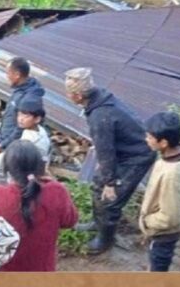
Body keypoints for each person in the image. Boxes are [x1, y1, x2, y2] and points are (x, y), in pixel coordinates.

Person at [64, 67, 156, 255]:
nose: (67, 96)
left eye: (69, 93)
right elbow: (105, 147)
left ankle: (105, 239)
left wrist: (111, 182)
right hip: (123, 150)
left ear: (79, 96)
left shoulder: (100, 115)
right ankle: (98, 223)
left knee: (111, 198)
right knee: (97, 185)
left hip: (136, 155)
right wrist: (105, 173)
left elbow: (106, 150)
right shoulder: (99, 99)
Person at [0, 140, 78, 271]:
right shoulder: (56, 191)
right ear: (40, 166)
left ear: (7, 169)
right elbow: (70, 221)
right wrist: (54, 183)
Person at [140, 112, 180, 272]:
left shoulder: (172, 174)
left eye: (149, 137)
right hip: (173, 220)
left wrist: (147, 222)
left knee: (159, 263)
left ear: (163, 142)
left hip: (164, 232)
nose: (146, 140)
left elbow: (169, 217)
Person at [0, 57, 45, 160]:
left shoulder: (28, 99)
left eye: (8, 73)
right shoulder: (20, 90)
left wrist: (3, 145)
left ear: (17, 75)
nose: (7, 76)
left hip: (14, 146)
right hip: (7, 140)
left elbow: (21, 127)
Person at [0, 96, 51, 184]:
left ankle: (6, 192)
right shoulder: (36, 129)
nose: (21, 118)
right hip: (21, 158)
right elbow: (16, 134)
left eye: (26, 116)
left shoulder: (34, 140)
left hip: (24, 166)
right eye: (19, 114)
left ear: (37, 119)